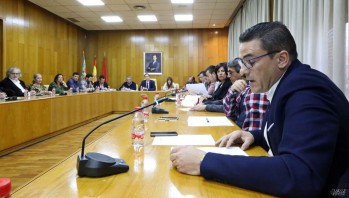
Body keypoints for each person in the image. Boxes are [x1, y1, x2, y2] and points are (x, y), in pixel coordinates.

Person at [170, 21, 349, 197]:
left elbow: (299, 175)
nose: (244, 72)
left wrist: (205, 161)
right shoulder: (286, 85)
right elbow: (288, 133)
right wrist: (255, 135)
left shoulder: (306, 91)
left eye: (250, 62)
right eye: (242, 63)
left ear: (281, 59)